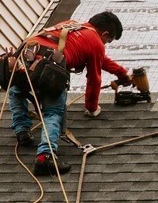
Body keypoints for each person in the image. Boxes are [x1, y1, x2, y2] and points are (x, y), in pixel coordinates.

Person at [8, 11, 130, 176]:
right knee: (53, 112)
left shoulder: (71, 26)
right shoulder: (95, 42)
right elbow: (94, 79)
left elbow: (101, 59)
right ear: (105, 33)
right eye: (107, 41)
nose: (105, 45)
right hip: (48, 67)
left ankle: (22, 130)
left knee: (17, 89)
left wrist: (121, 73)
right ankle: (45, 157)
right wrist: (92, 108)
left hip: (24, 56)